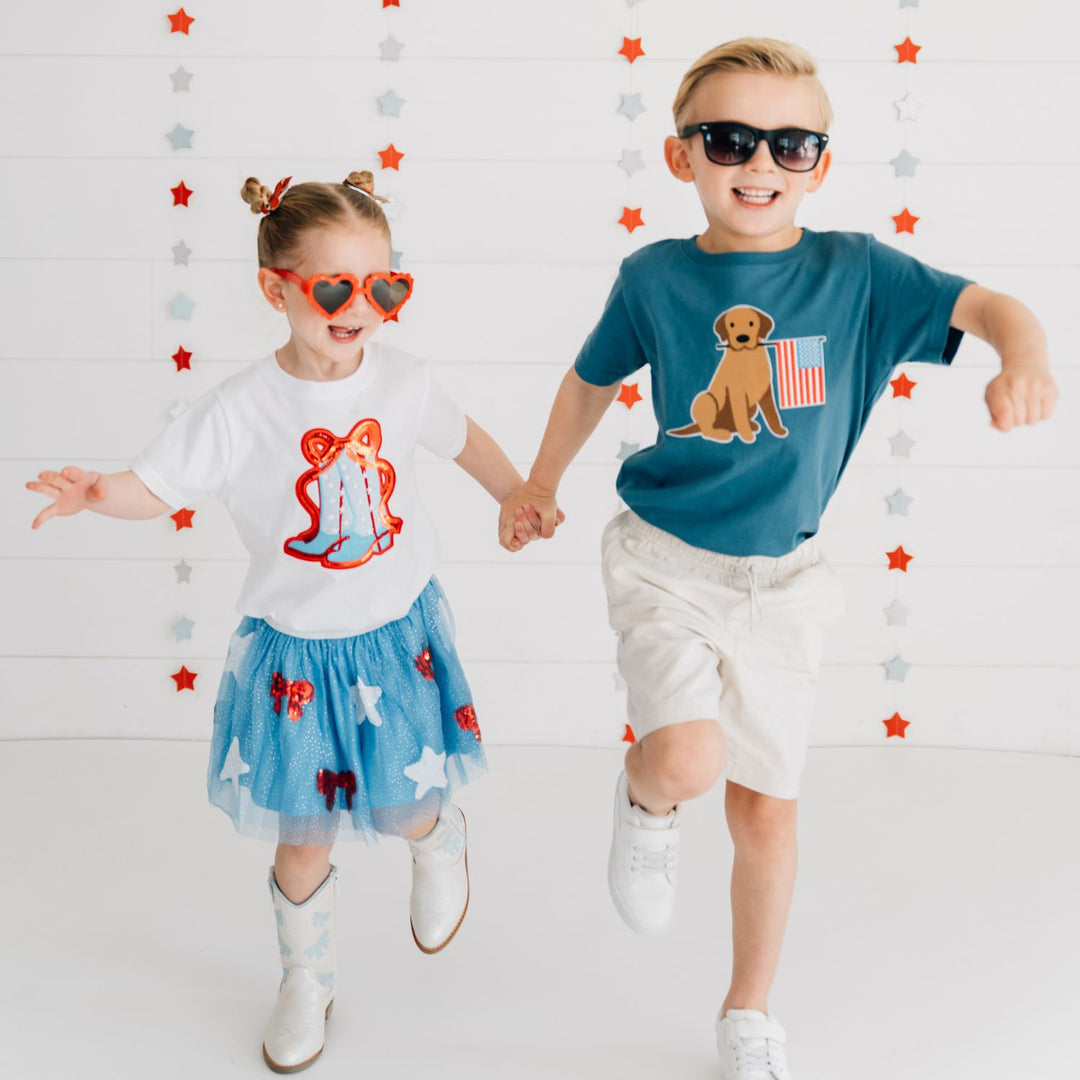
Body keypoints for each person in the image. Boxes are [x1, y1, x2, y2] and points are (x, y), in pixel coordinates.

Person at [498, 39, 1056, 1079]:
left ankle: (747, 1011)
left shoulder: (859, 273)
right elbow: (588, 380)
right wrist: (539, 481)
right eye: (729, 140)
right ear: (683, 157)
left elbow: (989, 308)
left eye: (790, 144)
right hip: (665, 561)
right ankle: (646, 801)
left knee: (765, 808)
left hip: (786, 587)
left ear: (820, 164)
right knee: (687, 759)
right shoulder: (655, 277)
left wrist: (1022, 357)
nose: (760, 162)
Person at [27, 170, 544, 1074]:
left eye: (385, 286)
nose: (363, 308)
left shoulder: (405, 380)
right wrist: (97, 492)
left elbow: (466, 441)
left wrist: (514, 493)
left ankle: (440, 839)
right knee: (302, 836)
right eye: (336, 289)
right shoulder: (240, 408)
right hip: (294, 659)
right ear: (276, 289)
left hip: (392, 640)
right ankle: (307, 979)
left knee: (403, 802)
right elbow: (159, 485)